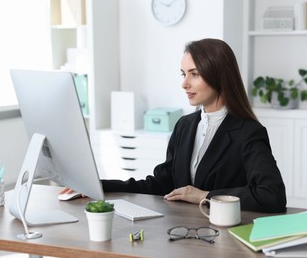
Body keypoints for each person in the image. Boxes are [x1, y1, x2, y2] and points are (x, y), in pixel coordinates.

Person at [61, 38, 287, 213]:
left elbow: (272, 195)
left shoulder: (248, 132)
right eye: (183, 74)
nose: (184, 83)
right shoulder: (185, 126)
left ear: (219, 76)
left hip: (223, 238)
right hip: (181, 232)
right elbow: (161, 184)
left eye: (194, 74)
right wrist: (99, 187)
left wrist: (205, 196)